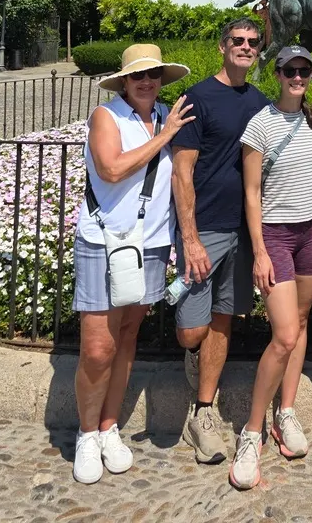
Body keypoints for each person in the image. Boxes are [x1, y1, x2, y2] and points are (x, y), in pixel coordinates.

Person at [72, 44, 193, 484]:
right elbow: (110, 168)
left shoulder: (167, 114)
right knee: (97, 347)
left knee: (126, 337)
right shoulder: (108, 116)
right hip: (105, 241)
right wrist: (165, 137)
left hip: (152, 243)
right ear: (124, 80)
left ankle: (108, 426)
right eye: (138, 75)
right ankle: (87, 432)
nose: (147, 82)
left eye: (154, 74)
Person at [229, 45, 312, 490]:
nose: (297, 76)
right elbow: (251, 192)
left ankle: (284, 412)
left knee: (301, 322)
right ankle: (252, 431)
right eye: (290, 69)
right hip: (275, 234)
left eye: (304, 69)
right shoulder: (260, 124)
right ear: (277, 74)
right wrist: (260, 251)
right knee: (285, 334)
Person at [171, 17, 270, 464]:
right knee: (194, 327)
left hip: (242, 230)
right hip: (205, 228)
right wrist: (189, 238)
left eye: (252, 42)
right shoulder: (197, 99)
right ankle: (194, 357)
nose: (245, 47)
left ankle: (204, 410)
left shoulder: (262, 102)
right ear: (221, 47)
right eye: (238, 41)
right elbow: (182, 171)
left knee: (224, 318)